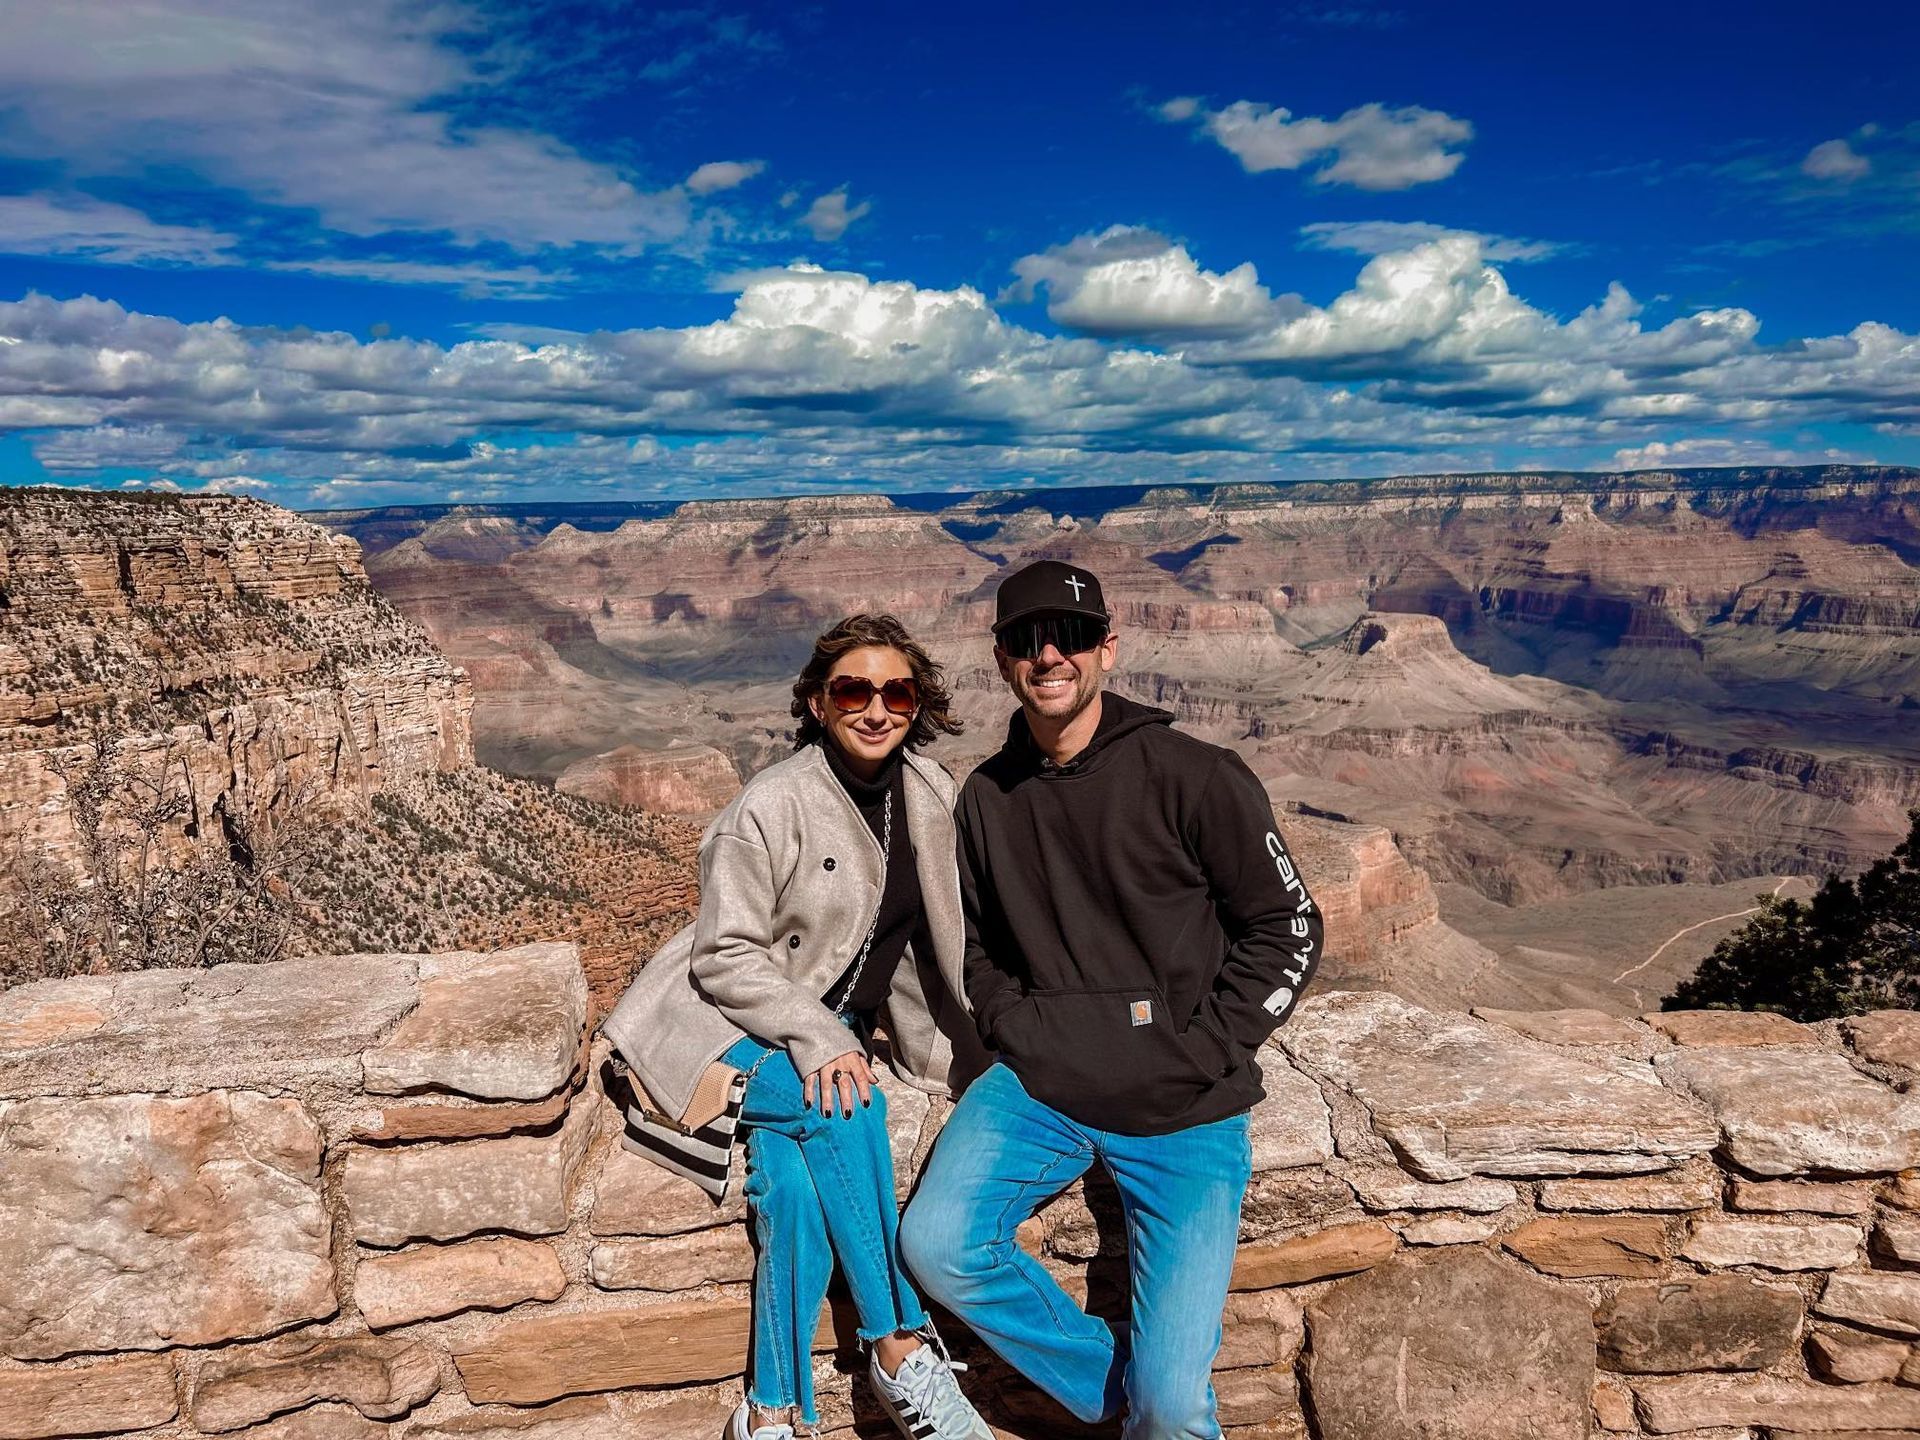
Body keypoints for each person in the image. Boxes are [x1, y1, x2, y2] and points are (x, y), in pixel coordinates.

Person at [899, 560, 1323, 1440]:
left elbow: (1288, 928)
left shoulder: (1196, 775)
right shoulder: (987, 796)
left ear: (1108, 649)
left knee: (1177, 1412)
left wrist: (1204, 1051)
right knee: (936, 1246)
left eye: (1072, 636)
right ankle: (1132, 1403)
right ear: (1003, 658)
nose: (1050, 655)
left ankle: (1157, 1413)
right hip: (1042, 1091)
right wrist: (1018, 1027)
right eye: (1026, 640)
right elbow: (975, 947)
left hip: (1187, 1111)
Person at [603, 614, 993, 1440]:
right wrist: (821, 1038)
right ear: (818, 702)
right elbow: (725, 957)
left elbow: (940, 941)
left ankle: (770, 1411)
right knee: (844, 1107)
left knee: (788, 1186)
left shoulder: (929, 793)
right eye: (853, 689)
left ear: (917, 704)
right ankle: (898, 1347)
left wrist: (958, 1047)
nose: (876, 708)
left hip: (820, 1025)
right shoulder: (770, 804)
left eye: (897, 691)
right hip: (724, 1019)